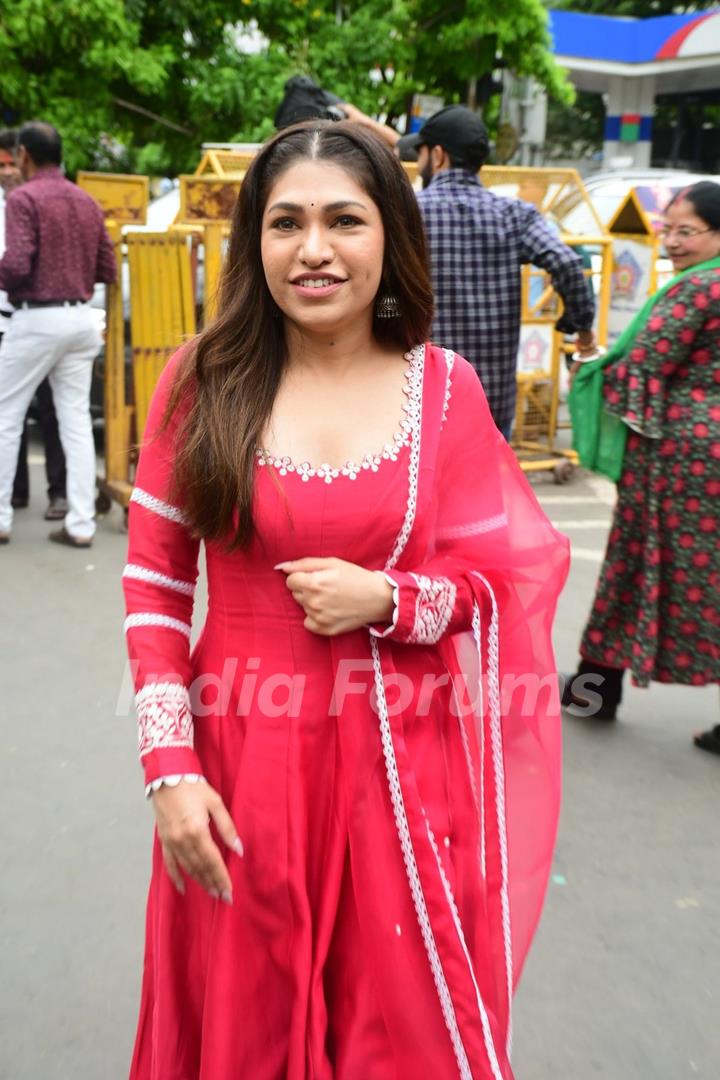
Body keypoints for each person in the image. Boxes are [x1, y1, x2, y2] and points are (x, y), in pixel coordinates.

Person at [123, 120, 569, 1078]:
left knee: (394, 1032)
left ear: (389, 237)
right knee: (245, 1026)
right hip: (239, 773)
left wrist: (392, 601)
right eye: (285, 223)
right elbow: (157, 589)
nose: (314, 249)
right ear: (255, 242)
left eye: (344, 221)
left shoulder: (443, 392)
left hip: (401, 776)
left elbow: (506, 580)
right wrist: (171, 770)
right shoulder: (202, 382)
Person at [563, 181, 720, 754]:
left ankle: (593, 690)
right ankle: (595, 687)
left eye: (687, 231)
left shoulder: (695, 291)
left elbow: (644, 364)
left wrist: (588, 367)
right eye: (669, 229)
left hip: (678, 455)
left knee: (633, 562)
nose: (672, 242)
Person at [400, 105, 597, 438]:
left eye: (420, 155)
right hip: (491, 406)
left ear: (437, 155)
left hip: (418, 399)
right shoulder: (515, 215)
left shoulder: (408, 213)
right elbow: (565, 262)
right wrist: (579, 326)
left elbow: (384, 293)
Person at [0, 121, 116, 547]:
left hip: (36, 320)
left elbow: (16, 265)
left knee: (5, 416)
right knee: (77, 423)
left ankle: (1, 518)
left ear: (25, 155)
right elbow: (106, 267)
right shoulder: (86, 201)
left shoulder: (23, 198)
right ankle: (80, 524)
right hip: (81, 319)